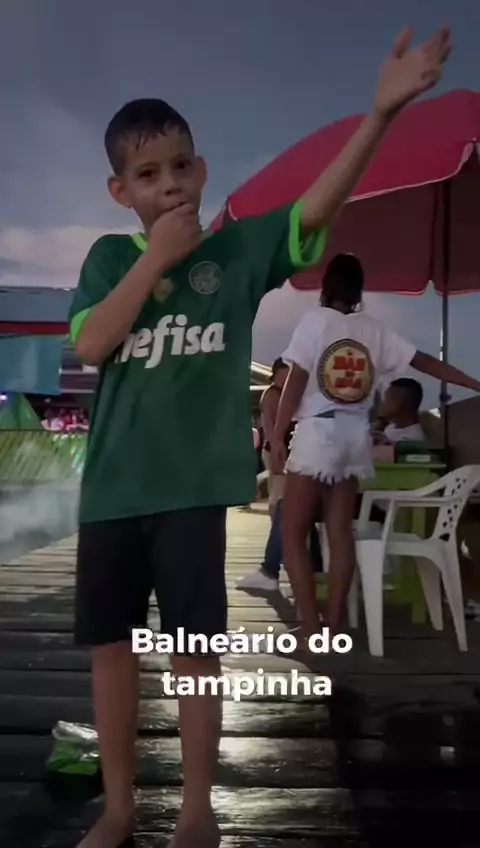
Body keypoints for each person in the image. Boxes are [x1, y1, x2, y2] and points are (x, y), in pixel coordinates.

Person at [69, 26, 452, 848]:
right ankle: (119, 809)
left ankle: (198, 811)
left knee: (194, 652)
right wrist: (153, 261)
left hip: (191, 496)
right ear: (119, 191)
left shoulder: (240, 253)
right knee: (110, 649)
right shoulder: (107, 259)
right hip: (110, 493)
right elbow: (93, 343)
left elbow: (317, 207)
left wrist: (380, 116)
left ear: (202, 170)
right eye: (148, 174)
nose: (170, 184)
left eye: (181, 166)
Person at [271, 251, 480, 646]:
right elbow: (423, 362)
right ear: (358, 290)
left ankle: (311, 629)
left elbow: (296, 379)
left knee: (292, 531)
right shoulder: (373, 329)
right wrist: (473, 383)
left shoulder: (315, 321)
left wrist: (279, 433)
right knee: (340, 534)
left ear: (327, 287)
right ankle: (334, 627)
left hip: (319, 433)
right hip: (355, 437)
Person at [260, 359, 291, 518]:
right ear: (280, 371)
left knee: (281, 491)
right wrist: (276, 446)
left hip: (280, 446)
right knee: (278, 492)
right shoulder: (272, 393)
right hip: (276, 446)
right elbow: (268, 423)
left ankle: (277, 524)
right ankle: (276, 525)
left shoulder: (282, 392)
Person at [380, 377, 426, 442]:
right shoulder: (390, 427)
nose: (384, 404)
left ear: (403, 403)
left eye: (388, 399)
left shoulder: (412, 439)